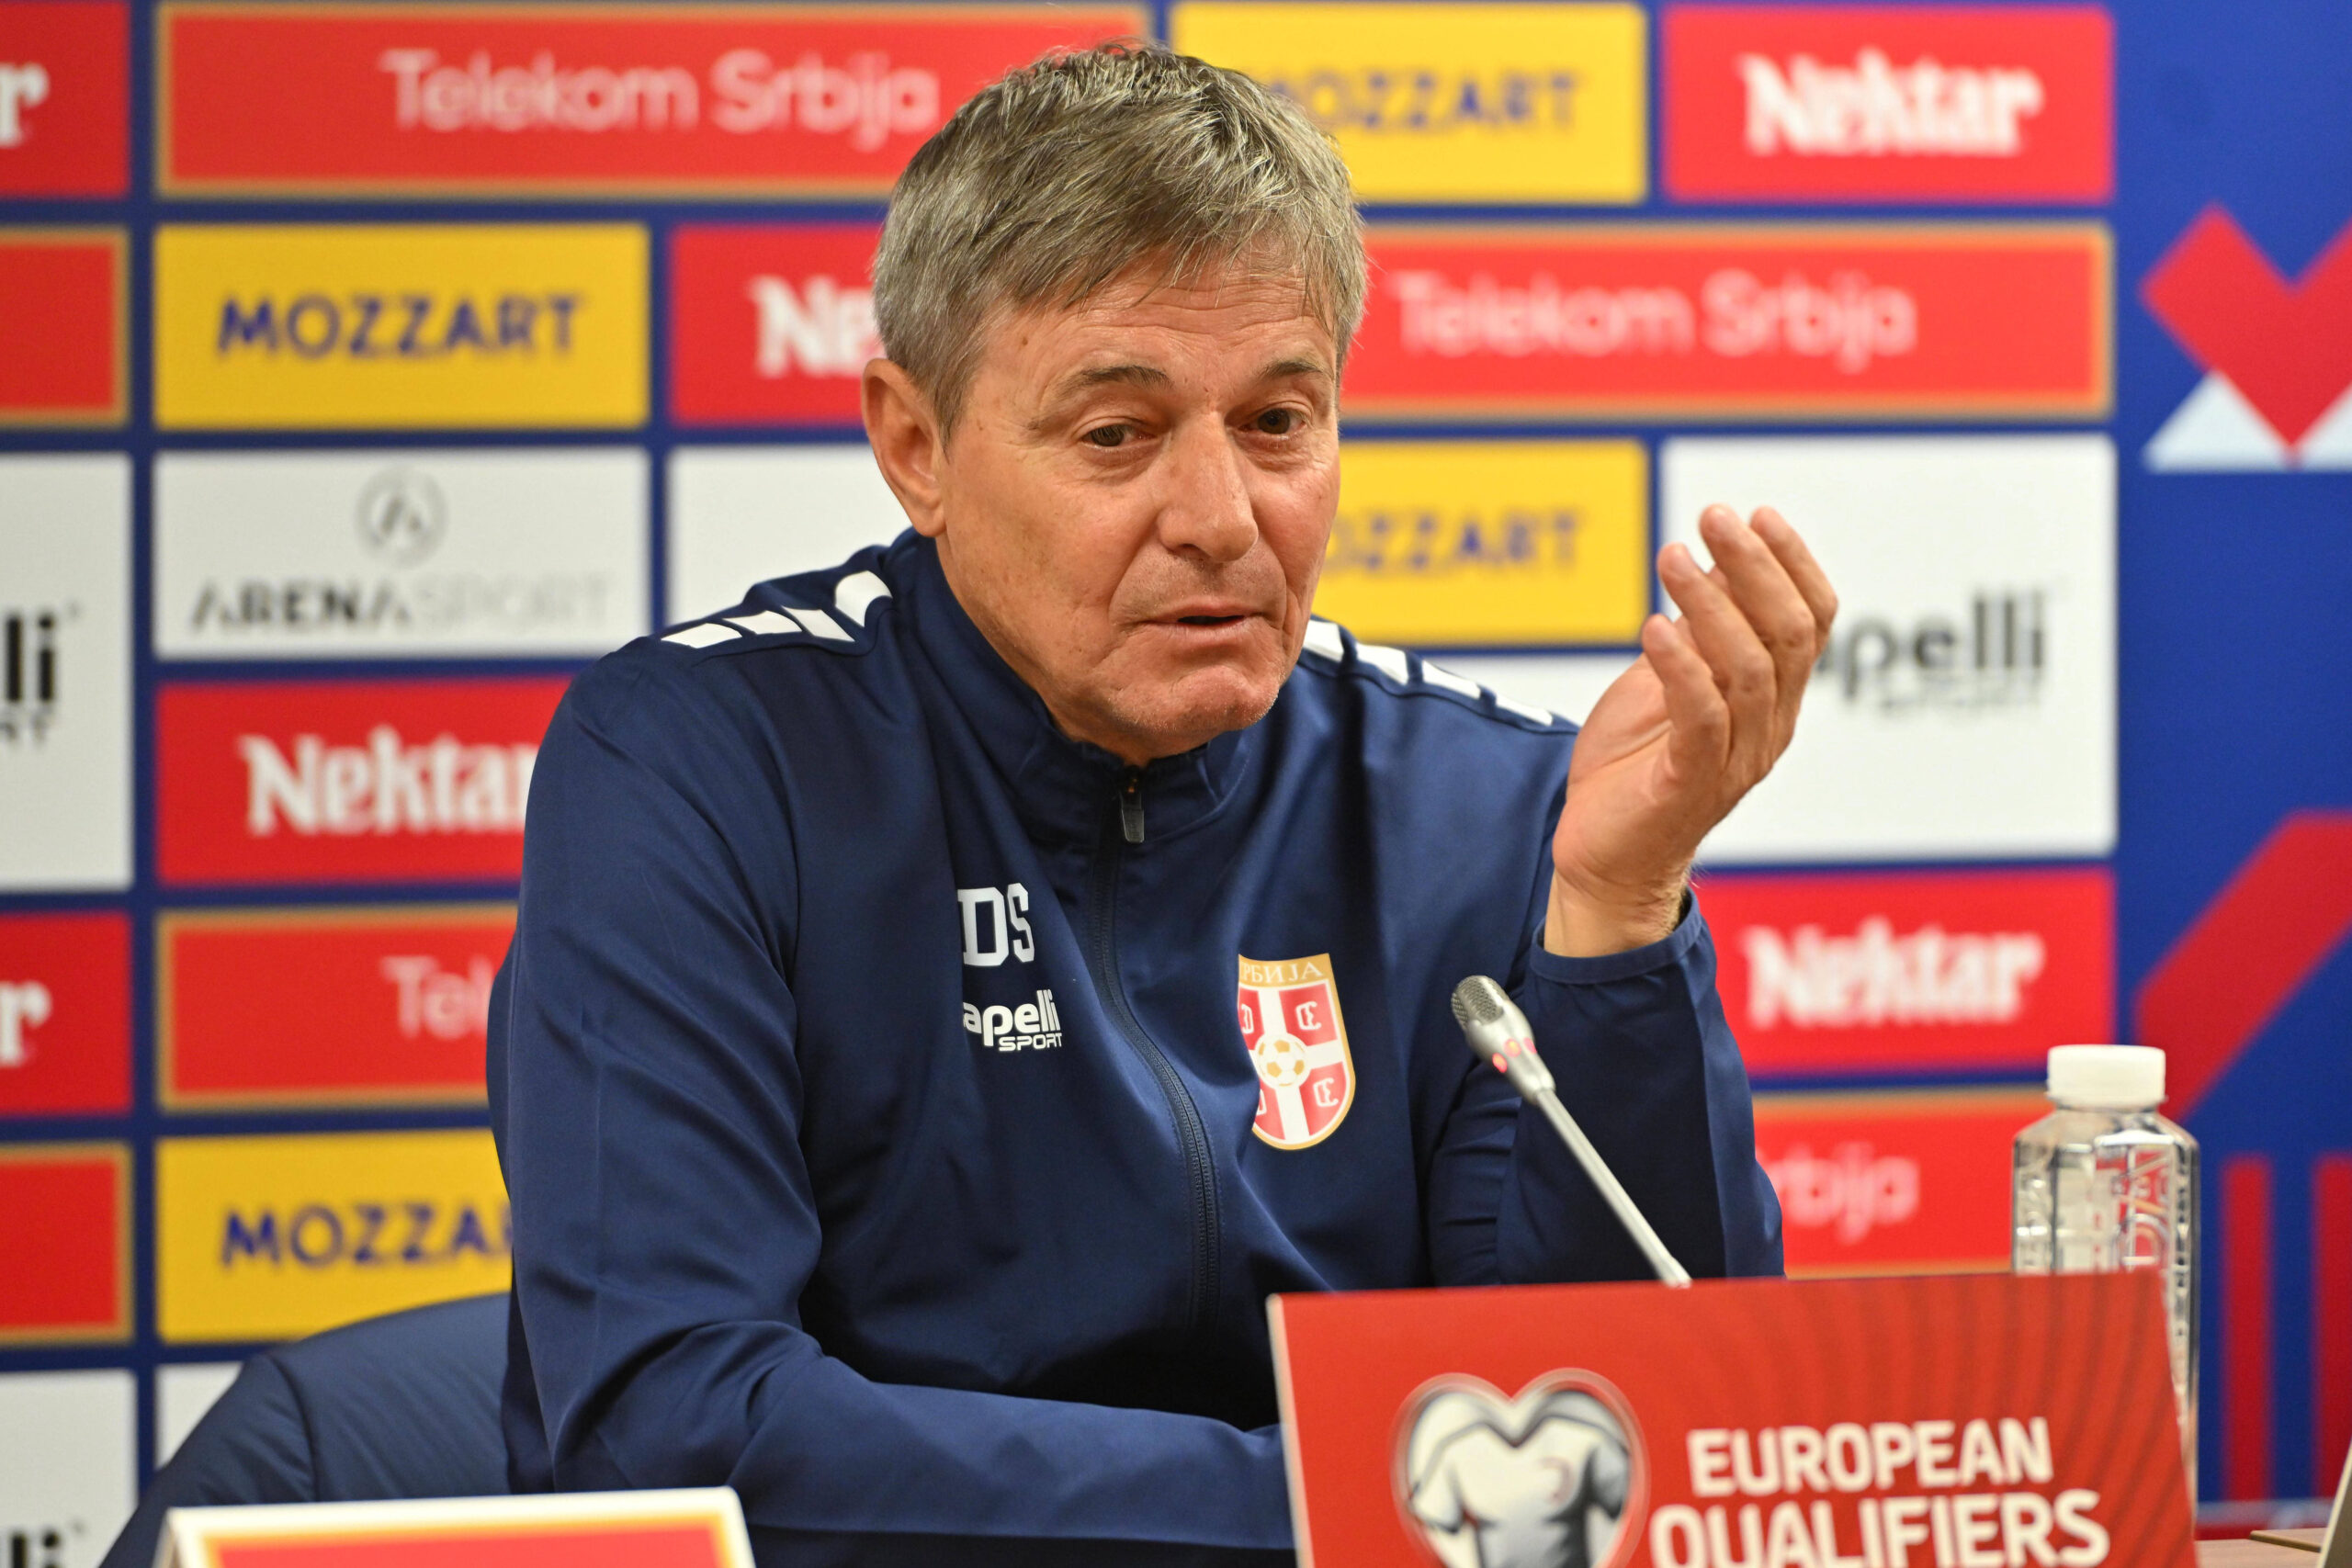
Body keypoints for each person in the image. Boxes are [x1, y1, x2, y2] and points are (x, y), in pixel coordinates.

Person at [487, 40, 1837, 1568]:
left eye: (1277, 424)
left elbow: (1646, 1432)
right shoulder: (702, 765)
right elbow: (673, 1425)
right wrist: (1332, 1506)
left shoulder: (1486, 802)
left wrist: (1614, 926)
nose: (1218, 520)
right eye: (1116, 436)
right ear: (914, 444)